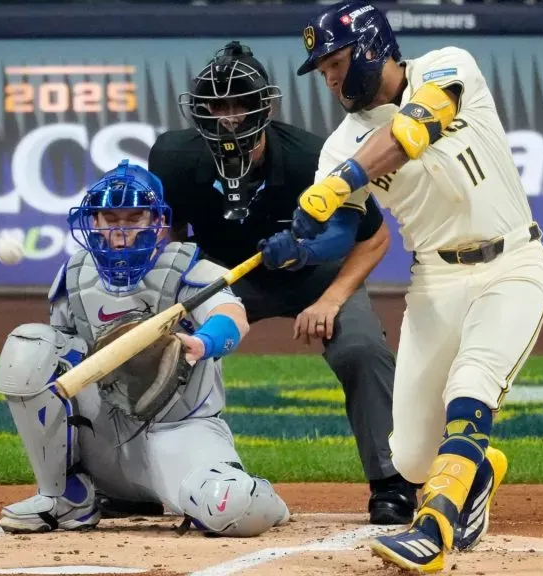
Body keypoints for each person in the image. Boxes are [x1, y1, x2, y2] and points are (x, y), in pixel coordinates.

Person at [262, 1, 543, 572]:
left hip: (512, 262)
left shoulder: (449, 64)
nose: (332, 79)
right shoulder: (339, 145)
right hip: (435, 281)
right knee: (413, 458)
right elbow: (341, 232)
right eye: (323, 73)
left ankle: (434, 526)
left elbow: (416, 127)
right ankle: (479, 468)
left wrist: (343, 181)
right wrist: (299, 250)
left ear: (372, 45)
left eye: (337, 62)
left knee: (471, 384)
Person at [148, 40, 418, 525]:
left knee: (360, 348)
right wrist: (167, 300)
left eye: (240, 105)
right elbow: (170, 240)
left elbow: (374, 239)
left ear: (264, 107)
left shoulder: (310, 158)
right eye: (218, 106)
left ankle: (392, 483)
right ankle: (144, 478)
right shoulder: (171, 158)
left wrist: (332, 301)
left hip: (316, 277)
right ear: (202, 111)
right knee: (158, 342)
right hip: (221, 279)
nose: (229, 118)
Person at [0, 160, 291, 538]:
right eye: (109, 218)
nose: (120, 233)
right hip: (103, 435)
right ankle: (65, 497)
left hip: (178, 433)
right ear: (94, 221)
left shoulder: (188, 268)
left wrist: (203, 341)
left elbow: (233, 316)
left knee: (231, 509)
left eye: (134, 218)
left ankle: (258, 496)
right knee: (29, 345)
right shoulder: (74, 275)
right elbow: (57, 359)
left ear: (158, 223)